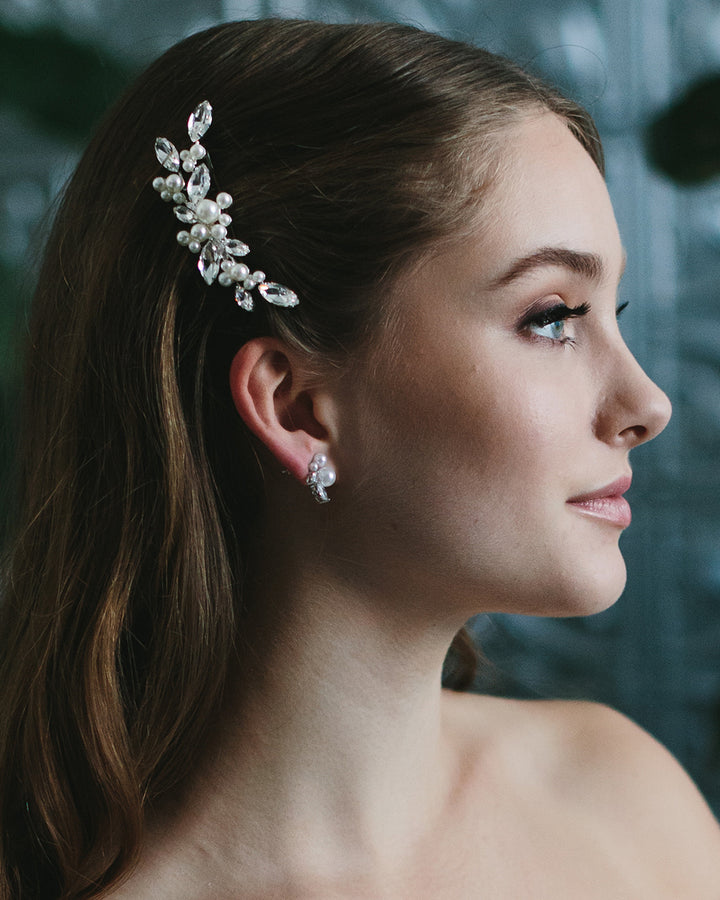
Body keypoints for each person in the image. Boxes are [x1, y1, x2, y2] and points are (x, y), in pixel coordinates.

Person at [0, 18, 718, 899]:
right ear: (297, 406)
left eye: (616, 313)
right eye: (552, 317)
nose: (648, 404)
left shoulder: (625, 801)